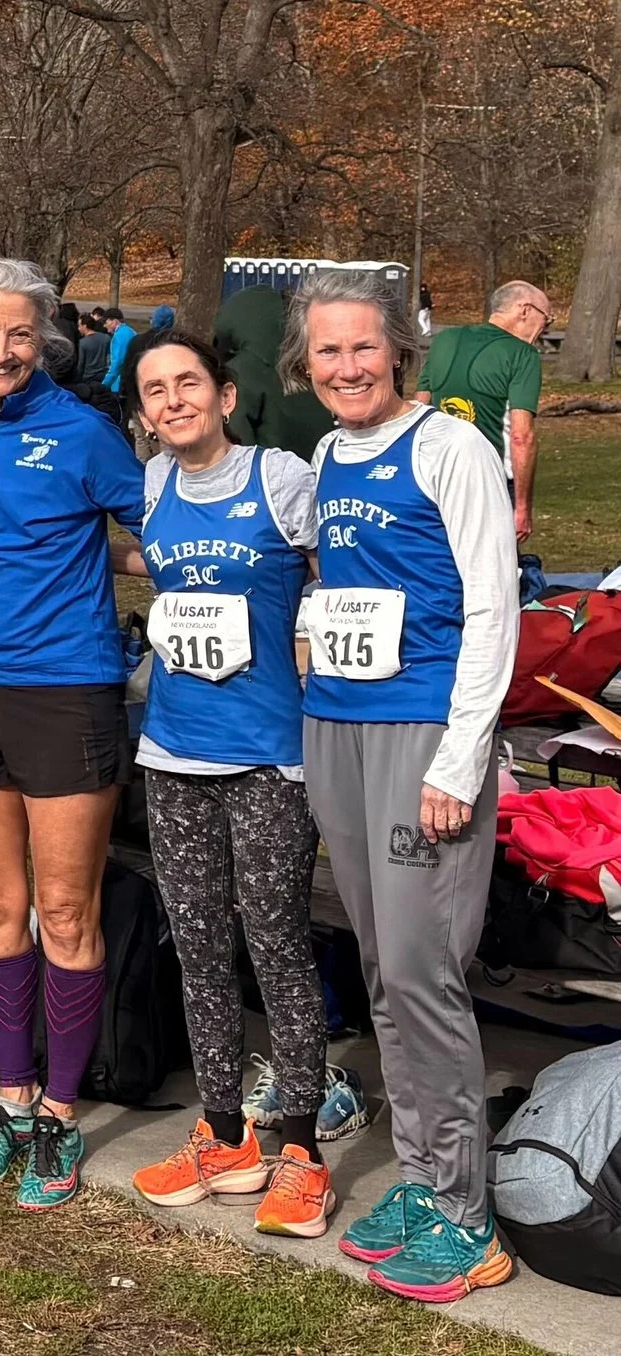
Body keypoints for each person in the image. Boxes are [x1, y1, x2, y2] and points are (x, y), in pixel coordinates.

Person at [289, 269, 518, 1302]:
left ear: (398, 352)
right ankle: (423, 1178)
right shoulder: (331, 453)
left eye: (361, 348)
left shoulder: (449, 446)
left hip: (421, 735)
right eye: (327, 351)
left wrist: (458, 759)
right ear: (307, 363)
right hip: (337, 726)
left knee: (426, 974)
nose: (345, 367)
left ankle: (467, 1216)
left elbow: (491, 609)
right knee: (381, 967)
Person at [0, 257, 142, 1210]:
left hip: (68, 691)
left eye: (19, 335)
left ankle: (62, 1112)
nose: (2, 351)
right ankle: (11, 1099)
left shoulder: (85, 433)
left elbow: (156, 529)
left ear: (43, 339)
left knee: (67, 912)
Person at [107, 329, 335, 1239]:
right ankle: (225, 1129)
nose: (172, 402)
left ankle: (303, 1147)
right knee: (198, 947)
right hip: (173, 754)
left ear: (225, 395)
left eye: (187, 384)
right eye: (154, 391)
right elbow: (155, 563)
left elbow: (341, 563)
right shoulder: (154, 485)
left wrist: (318, 644)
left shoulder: (278, 478)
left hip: (270, 758)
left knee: (275, 941)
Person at [418, 279, 549, 539]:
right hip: (492, 483)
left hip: (437, 479)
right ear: (525, 310)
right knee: (493, 572)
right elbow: (521, 437)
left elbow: (419, 410)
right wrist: (522, 507)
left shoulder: (445, 340)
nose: (544, 329)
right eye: (547, 319)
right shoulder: (523, 355)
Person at [215, 285, 335, 459]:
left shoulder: (239, 373)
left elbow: (236, 437)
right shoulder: (306, 363)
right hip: (319, 467)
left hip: (269, 477)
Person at [102, 307, 136, 396]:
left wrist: (105, 383)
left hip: (119, 384)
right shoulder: (131, 331)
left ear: (114, 321)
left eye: (106, 322)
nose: (104, 326)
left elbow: (117, 362)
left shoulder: (119, 336)